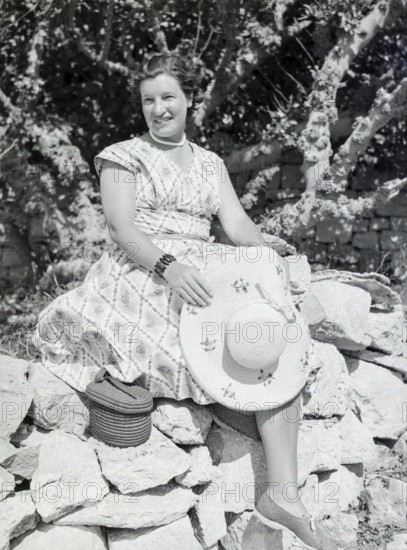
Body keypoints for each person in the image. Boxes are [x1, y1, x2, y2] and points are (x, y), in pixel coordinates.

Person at [32, 51, 337, 550]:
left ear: (190, 99)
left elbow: (236, 225)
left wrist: (268, 257)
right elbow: (121, 227)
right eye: (149, 100)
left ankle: (284, 495)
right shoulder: (122, 156)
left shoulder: (210, 163)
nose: (158, 108)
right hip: (144, 269)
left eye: (168, 96)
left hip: (210, 270)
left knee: (264, 340)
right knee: (207, 349)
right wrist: (169, 268)